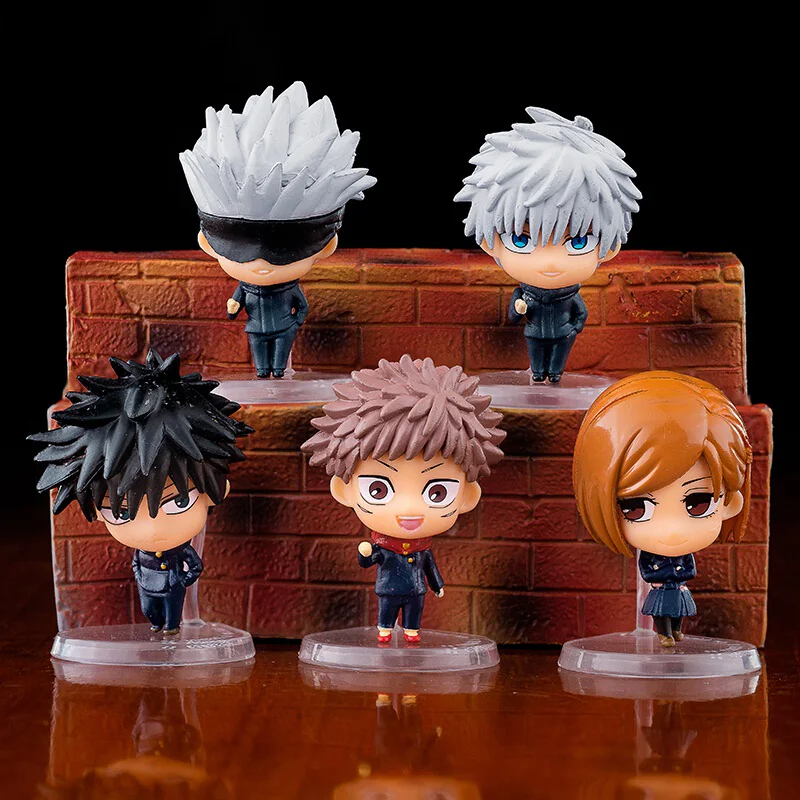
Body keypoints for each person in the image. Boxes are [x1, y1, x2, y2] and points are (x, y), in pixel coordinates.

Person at [29, 350, 253, 634]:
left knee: (172, 616)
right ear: (97, 511)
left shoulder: (181, 548)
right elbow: (137, 564)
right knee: (151, 612)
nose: (152, 529)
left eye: (178, 502)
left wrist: (182, 580)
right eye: (122, 513)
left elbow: (195, 566)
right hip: (148, 585)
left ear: (216, 490)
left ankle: (170, 628)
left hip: (172, 586)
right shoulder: (141, 553)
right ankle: (159, 626)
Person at [302, 354, 505, 642]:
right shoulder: (384, 548)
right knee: (387, 613)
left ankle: (410, 632)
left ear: (467, 496)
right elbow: (369, 561)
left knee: (413, 616)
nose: (409, 509)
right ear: (344, 489)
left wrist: (437, 585)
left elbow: (429, 567)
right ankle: (385, 630)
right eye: (378, 490)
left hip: (416, 591)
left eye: (437, 493)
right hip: (388, 589)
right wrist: (365, 553)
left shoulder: (422, 550)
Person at [180, 81, 376, 378]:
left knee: (278, 362)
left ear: (327, 246)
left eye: (282, 253)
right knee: (262, 363)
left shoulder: (288, 289)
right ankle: (264, 373)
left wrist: (295, 322)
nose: (261, 263)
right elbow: (236, 306)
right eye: (240, 253)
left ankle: (276, 372)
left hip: (284, 328)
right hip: (257, 328)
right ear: (207, 244)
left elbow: (302, 307)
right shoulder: (247, 289)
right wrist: (233, 307)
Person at [455, 106, 641, 382]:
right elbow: (514, 316)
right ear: (488, 242)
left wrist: (574, 328)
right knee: (537, 362)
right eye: (521, 239)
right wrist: (519, 310)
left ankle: (554, 374)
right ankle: (539, 373)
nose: (550, 262)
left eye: (578, 241)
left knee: (556, 363)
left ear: (610, 247)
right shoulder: (525, 294)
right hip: (533, 333)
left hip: (563, 334)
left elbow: (581, 313)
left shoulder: (570, 296)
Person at [572, 371, 752, 646]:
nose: (671, 529)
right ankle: (664, 633)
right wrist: (660, 580)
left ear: (730, 503)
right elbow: (648, 569)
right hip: (660, 587)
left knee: (678, 610)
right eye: (635, 507)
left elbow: (689, 568)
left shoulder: (683, 556)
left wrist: (678, 578)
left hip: (676, 587)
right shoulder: (651, 556)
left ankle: (675, 631)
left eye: (698, 503)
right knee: (660, 611)